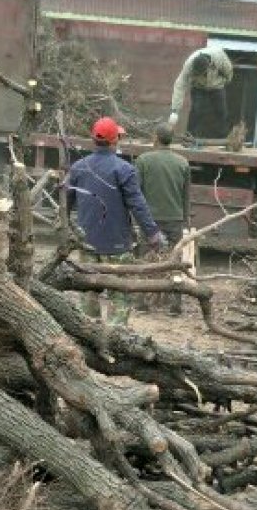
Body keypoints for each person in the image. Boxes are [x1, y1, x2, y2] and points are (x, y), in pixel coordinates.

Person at [66, 117, 165, 325]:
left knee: (87, 296)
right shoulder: (124, 169)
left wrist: (67, 231)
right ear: (115, 140)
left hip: (86, 244)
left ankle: (88, 336)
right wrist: (153, 233)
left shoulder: (78, 167)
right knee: (119, 295)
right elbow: (138, 205)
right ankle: (116, 340)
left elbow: (64, 204)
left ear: (94, 139)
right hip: (117, 246)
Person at [135, 124, 191, 316]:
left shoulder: (143, 160)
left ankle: (141, 302)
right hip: (175, 219)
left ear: (155, 137)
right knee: (175, 260)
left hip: (149, 220)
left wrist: (135, 217)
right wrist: (186, 220)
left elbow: (136, 193)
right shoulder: (183, 163)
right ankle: (175, 305)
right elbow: (186, 196)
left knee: (146, 258)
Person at [169, 45, 234, 141]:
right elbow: (180, 85)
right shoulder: (189, 64)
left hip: (217, 87)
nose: (199, 75)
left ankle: (223, 139)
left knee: (221, 112)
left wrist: (223, 82)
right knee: (196, 111)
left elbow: (229, 72)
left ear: (208, 67)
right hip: (198, 87)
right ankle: (189, 137)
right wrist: (175, 110)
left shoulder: (220, 57)